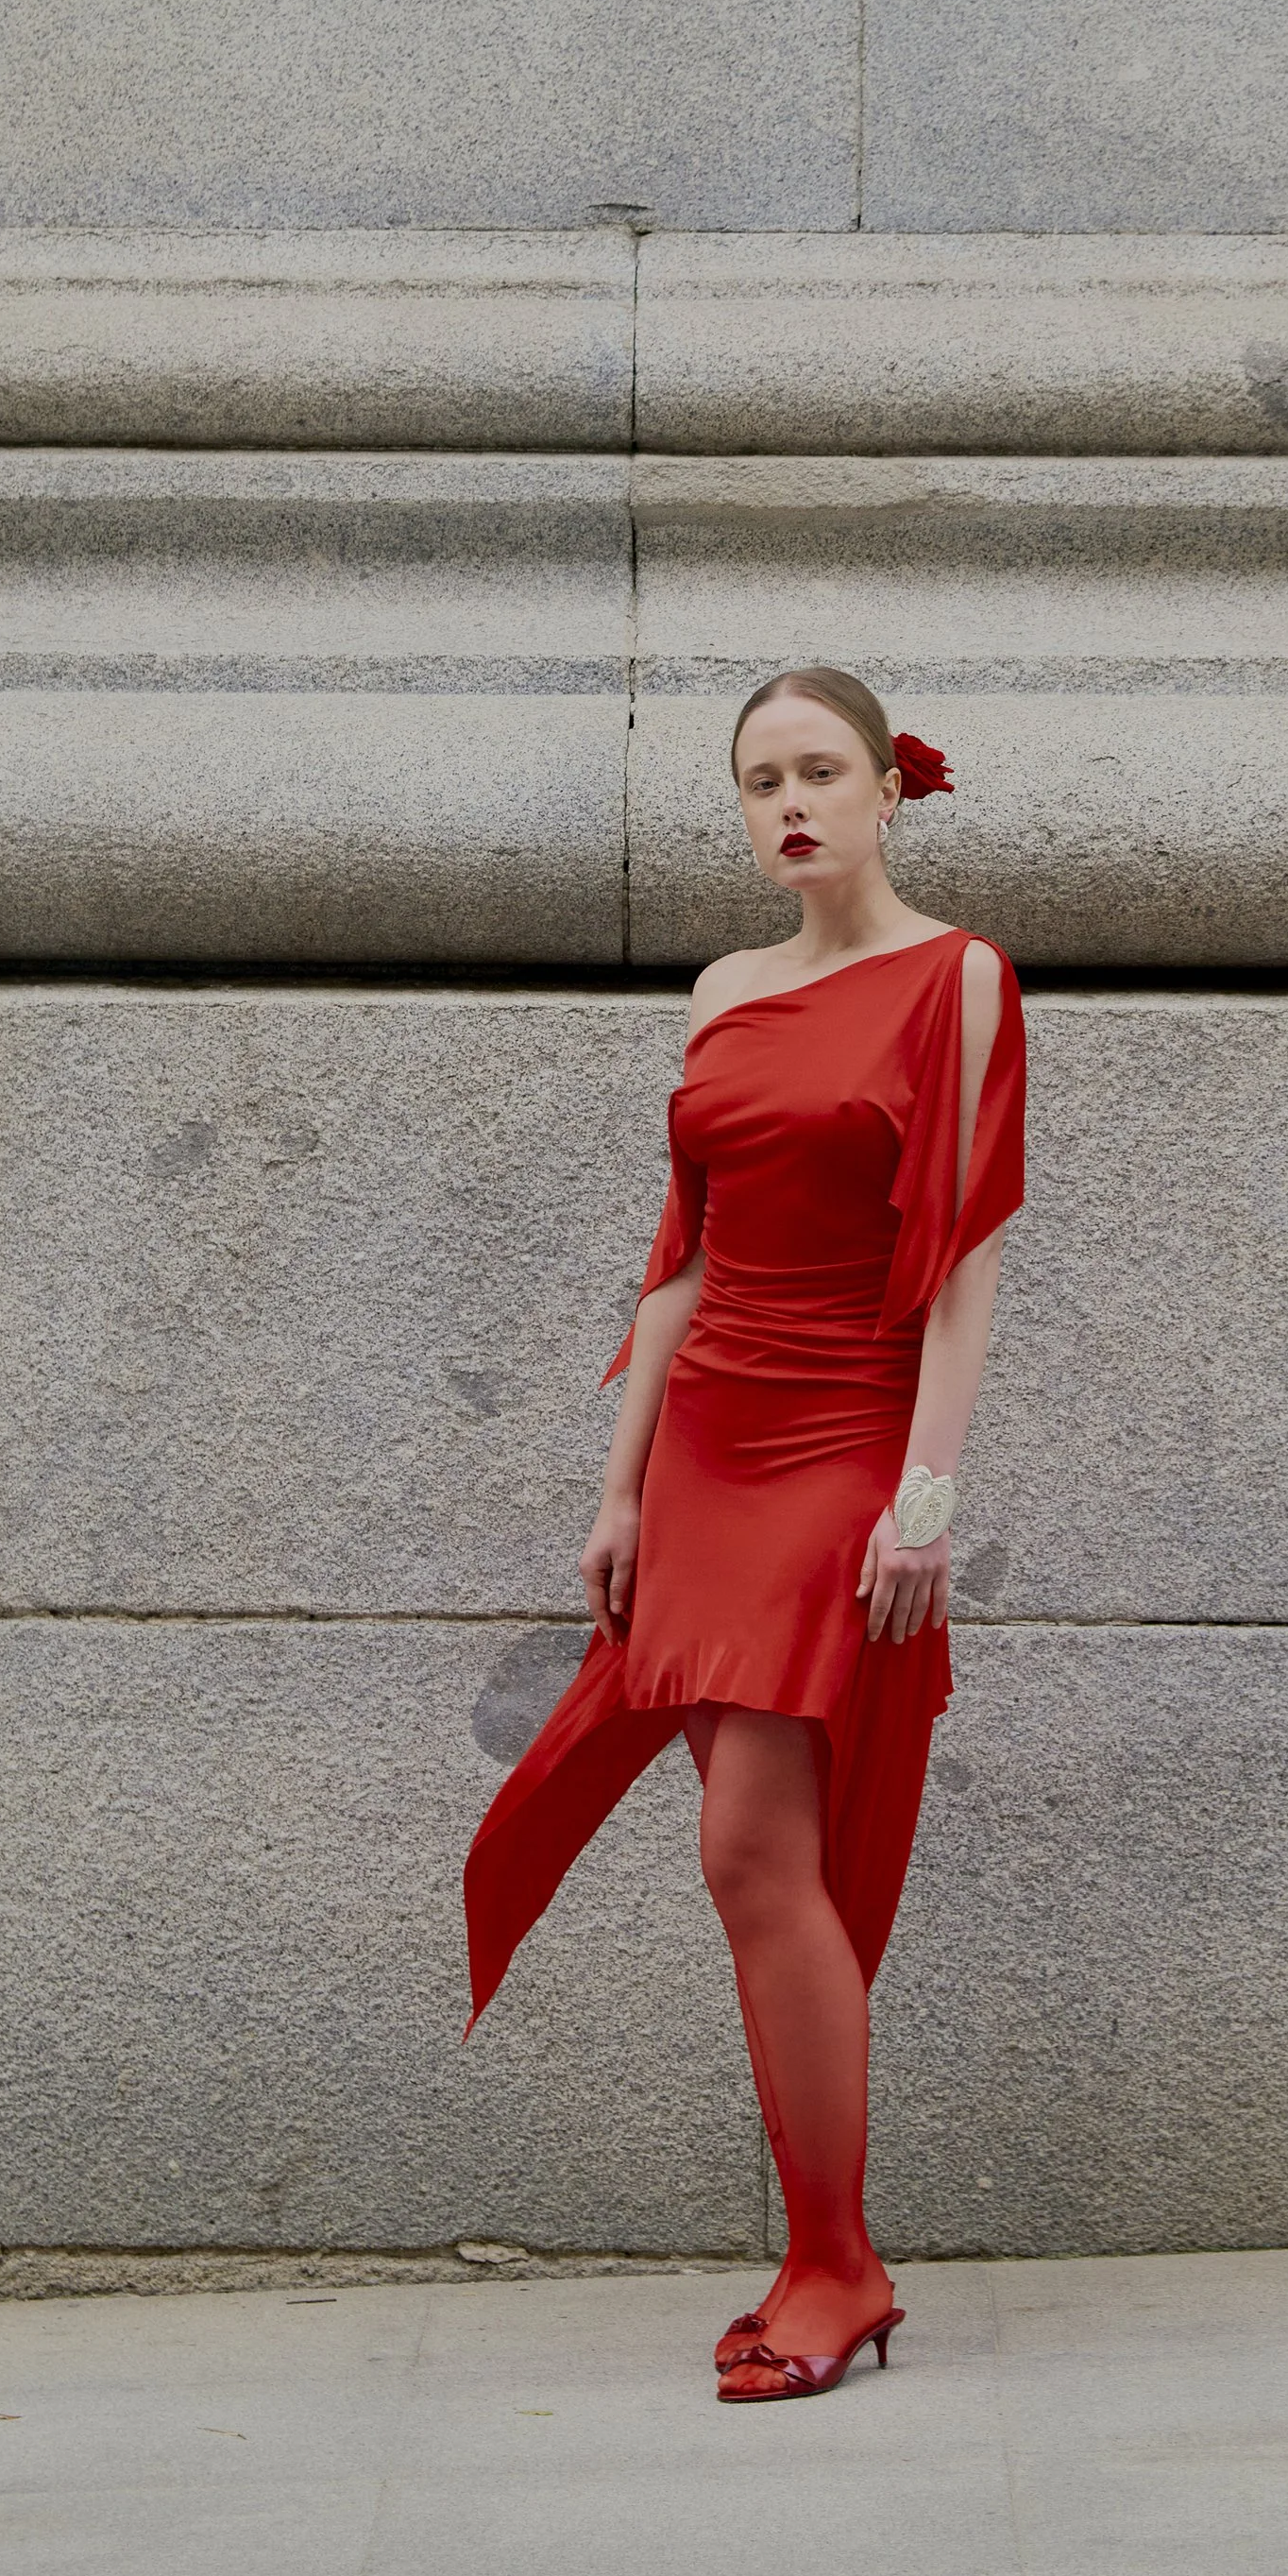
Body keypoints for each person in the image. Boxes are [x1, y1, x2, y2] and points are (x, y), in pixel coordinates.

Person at [464, 667, 1026, 2404]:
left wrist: (926, 1492)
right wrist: (621, 1488)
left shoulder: (961, 980)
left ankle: (836, 2259)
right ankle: (824, 2248)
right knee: (757, 1862)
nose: (790, 803)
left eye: (820, 771)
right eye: (759, 779)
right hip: (706, 1441)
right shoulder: (722, 990)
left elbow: (967, 1253)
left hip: (845, 1440)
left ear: (887, 790)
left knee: (747, 1853)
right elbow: (682, 1259)